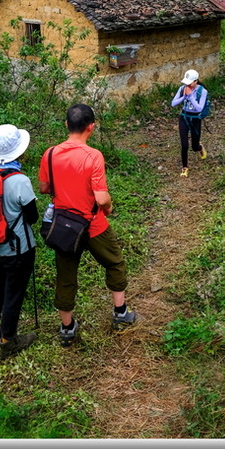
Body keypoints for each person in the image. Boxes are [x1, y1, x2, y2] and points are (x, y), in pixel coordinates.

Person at [39, 103, 136, 346]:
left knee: (65, 277)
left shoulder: (49, 153)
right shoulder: (93, 156)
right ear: (91, 127)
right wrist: (109, 207)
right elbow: (101, 198)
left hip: (63, 228)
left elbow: (44, 188)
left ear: (66, 125)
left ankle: (67, 328)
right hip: (93, 224)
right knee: (114, 262)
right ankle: (120, 313)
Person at [0, 123, 39, 359]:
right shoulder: (19, 181)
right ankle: (8, 340)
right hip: (18, 250)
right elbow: (32, 217)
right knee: (13, 292)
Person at [171, 69, 208, 177]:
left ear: (196, 81)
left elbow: (199, 108)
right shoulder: (182, 88)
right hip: (184, 117)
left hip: (195, 118)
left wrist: (191, 96)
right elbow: (173, 103)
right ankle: (185, 167)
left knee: (194, 146)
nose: (187, 84)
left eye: (190, 82)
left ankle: (199, 148)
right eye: (186, 82)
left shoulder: (202, 91)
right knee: (184, 145)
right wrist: (184, 96)